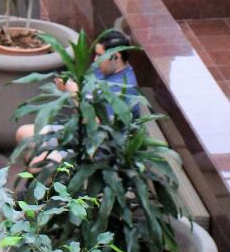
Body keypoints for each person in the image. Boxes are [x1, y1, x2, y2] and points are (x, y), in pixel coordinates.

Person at [14, 28, 143, 162]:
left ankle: (48, 179)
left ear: (116, 56)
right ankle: (39, 180)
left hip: (99, 147)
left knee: (38, 162)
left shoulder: (124, 87)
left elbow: (96, 125)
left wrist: (74, 94)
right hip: (77, 132)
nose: (95, 60)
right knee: (23, 134)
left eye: (100, 55)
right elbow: (85, 94)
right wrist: (66, 88)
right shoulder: (102, 68)